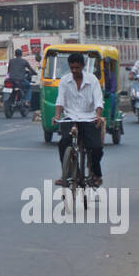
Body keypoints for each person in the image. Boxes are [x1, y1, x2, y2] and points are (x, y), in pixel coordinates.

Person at [54, 51, 104, 186]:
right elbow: (60, 100)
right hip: (70, 117)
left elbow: (98, 100)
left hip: (88, 118)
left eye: (77, 68)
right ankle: (68, 173)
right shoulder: (65, 81)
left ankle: (96, 174)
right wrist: (57, 116)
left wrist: (98, 116)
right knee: (63, 144)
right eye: (72, 68)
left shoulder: (92, 80)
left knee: (96, 148)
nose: (74, 71)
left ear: (82, 66)